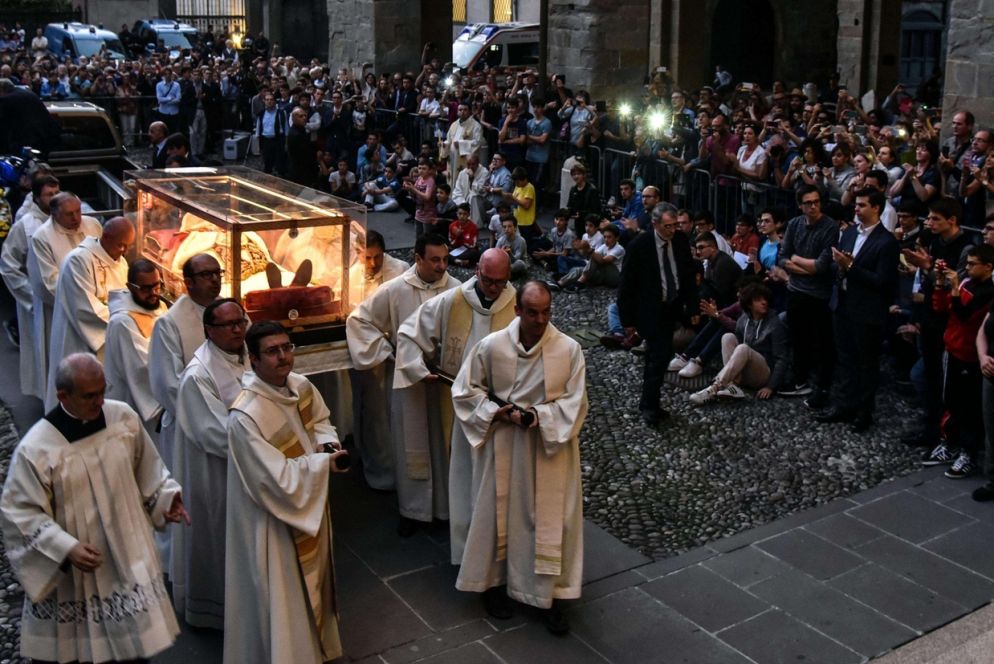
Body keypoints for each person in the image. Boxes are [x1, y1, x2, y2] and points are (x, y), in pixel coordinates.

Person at [0, 353, 189, 664]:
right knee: (80, 654)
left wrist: (166, 498)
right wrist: (66, 547)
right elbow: (19, 512)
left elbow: (149, 469)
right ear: (63, 396)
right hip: (78, 573)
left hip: (127, 559)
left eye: (103, 391)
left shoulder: (123, 419)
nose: (100, 401)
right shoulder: (37, 449)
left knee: (133, 652)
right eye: (90, 396)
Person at [451, 281, 587, 634]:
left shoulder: (569, 349)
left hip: (548, 449)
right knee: (497, 516)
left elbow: (575, 402)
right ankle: (495, 585)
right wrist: (497, 413)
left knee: (549, 520)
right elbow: (466, 391)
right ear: (517, 310)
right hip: (504, 447)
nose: (540, 320)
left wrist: (537, 416)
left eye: (546, 312)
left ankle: (547, 595)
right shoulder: (491, 346)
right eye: (532, 312)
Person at [225, 322, 348, 664]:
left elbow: (321, 421)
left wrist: (327, 443)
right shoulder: (246, 415)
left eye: (287, 347)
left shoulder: (302, 386)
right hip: (274, 518)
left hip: (308, 503)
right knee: (284, 596)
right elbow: (272, 478)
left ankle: (319, 649)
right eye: (272, 351)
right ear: (252, 359)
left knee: (314, 581)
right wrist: (324, 465)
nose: (283, 357)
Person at [394, 249, 516, 551]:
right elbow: (410, 332)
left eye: (500, 282)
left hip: (499, 404)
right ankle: (460, 525)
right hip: (457, 399)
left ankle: (492, 529)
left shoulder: (516, 303)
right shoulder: (454, 300)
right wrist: (418, 368)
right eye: (488, 280)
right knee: (460, 468)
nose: (493, 288)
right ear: (477, 271)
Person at [346, 235, 460, 503]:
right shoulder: (396, 289)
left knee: (443, 442)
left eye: (445, 260)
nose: (442, 266)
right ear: (418, 259)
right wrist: (389, 353)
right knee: (410, 440)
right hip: (407, 382)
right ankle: (413, 508)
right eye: (434, 260)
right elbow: (358, 321)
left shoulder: (457, 290)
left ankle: (445, 505)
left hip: (444, 382)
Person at [172, 299, 251, 630]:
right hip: (218, 471)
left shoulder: (249, 353)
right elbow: (215, 432)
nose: (237, 329)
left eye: (240, 322)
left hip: (250, 464)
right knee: (220, 538)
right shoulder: (198, 374)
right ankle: (218, 612)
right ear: (208, 331)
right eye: (228, 325)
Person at [813, 189, 900, 432]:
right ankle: (844, 405)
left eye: (862, 205)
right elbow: (838, 264)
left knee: (866, 363)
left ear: (876, 208)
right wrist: (839, 266)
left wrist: (850, 266)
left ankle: (864, 412)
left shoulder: (887, 242)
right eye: (856, 205)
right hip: (842, 303)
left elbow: (883, 281)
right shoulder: (850, 232)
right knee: (845, 359)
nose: (857, 209)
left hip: (867, 310)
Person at [618, 207, 698, 426]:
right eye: (668, 226)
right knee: (658, 354)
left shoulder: (680, 241)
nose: (672, 230)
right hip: (651, 309)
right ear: (655, 224)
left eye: (675, 225)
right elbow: (627, 284)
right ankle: (649, 405)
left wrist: (693, 308)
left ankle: (650, 402)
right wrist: (628, 320)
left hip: (674, 306)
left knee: (661, 356)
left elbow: (688, 275)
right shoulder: (640, 247)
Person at [45, 217, 135, 409]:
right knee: (78, 389)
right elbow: (86, 308)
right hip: (80, 337)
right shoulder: (78, 260)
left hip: (110, 333)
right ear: (106, 237)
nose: (124, 251)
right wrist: (127, 322)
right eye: (121, 245)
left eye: (128, 246)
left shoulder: (120, 262)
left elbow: (124, 298)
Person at [921, 245, 994, 478]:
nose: (967, 268)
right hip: (952, 350)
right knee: (950, 399)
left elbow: (965, 316)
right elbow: (942, 309)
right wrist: (941, 285)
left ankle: (968, 452)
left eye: (973, 264)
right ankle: (950, 442)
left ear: (988, 267)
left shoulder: (988, 293)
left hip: (970, 356)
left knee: (969, 406)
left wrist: (953, 288)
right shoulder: (966, 284)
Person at [346, 232, 410, 490]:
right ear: (359, 254)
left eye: (377, 257)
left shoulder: (400, 271)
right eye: (367, 258)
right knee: (371, 415)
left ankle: (396, 472)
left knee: (392, 416)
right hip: (366, 354)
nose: (372, 264)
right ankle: (373, 464)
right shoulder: (351, 275)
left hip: (395, 353)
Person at [27, 193, 102, 403]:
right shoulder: (42, 237)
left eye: (78, 211)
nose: (76, 218)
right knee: (65, 360)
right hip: (62, 309)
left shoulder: (93, 224)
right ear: (53, 214)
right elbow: (48, 280)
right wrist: (81, 297)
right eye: (69, 214)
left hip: (96, 304)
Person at [777, 185, 838, 405]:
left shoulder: (829, 227)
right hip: (795, 290)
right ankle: (800, 380)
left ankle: (821, 386)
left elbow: (822, 266)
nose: (813, 206)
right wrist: (805, 268)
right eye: (808, 202)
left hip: (817, 294)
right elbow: (782, 258)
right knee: (798, 338)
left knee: (821, 341)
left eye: (816, 201)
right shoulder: (794, 224)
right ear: (800, 205)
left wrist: (797, 261)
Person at [0, 173, 59, 400]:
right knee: (43, 351)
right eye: (48, 194)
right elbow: (8, 264)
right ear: (36, 197)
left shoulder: (65, 217)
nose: (53, 198)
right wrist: (30, 294)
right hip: (39, 302)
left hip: (64, 299)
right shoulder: (25, 225)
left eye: (56, 193)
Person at [689, 282, 789, 404]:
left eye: (765, 299)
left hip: (763, 373)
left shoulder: (774, 323)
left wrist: (771, 386)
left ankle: (714, 388)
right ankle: (732, 386)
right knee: (727, 337)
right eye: (758, 300)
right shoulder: (744, 319)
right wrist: (716, 314)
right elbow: (736, 335)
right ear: (749, 304)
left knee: (743, 348)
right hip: (744, 370)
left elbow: (782, 358)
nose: (764, 302)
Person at [104, 260, 169, 440]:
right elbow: (142, 367)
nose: (154, 293)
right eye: (146, 288)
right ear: (130, 287)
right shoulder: (123, 322)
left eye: (157, 286)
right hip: (136, 400)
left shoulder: (158, 306)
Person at [445, 102, 484, 178]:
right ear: (457, 112)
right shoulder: (454, 124)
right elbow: (448, 140)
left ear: (469, 111)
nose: (462, 112)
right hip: (452, 158)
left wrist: (461, 144)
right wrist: (443, 145)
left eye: (465, 110)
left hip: (465, 160)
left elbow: (477, 142)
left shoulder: (476, 125)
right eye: (460, 110)